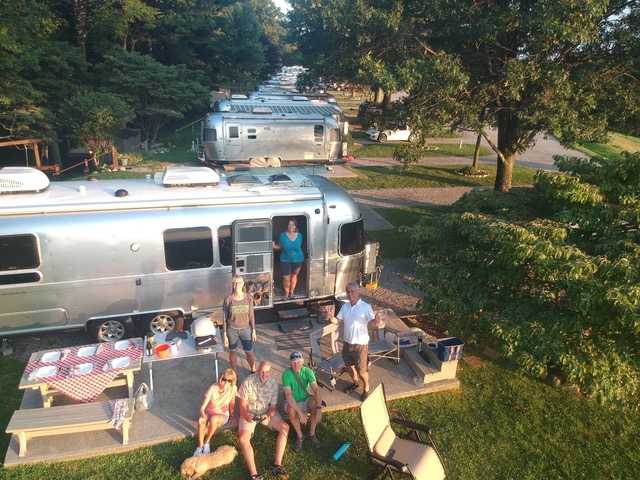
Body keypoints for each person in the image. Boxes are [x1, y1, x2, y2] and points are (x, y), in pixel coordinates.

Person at [238, 361, 290, 480]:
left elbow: (273, 408)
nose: (264, 374)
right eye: (261, 371)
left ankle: (277, 465)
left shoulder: (274, 384)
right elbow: (242, 405)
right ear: (257, 371)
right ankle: (254, 475)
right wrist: (246, 416)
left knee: (285, 428)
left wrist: (269, 417)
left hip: (265, 412)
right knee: (243, 439)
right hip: (249, 412)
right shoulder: (248, 381)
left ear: (270, 372)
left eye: (267, 372)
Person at [331, 282, 381, 401]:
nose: (350, 294)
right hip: (347, 343)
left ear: (358, 292)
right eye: (348, 292)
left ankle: (366, 388)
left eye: (352, 291)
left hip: (360, 345)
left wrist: (377, 321)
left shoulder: (365, 307)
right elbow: (337, 321)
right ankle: (356, 383)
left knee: (362, 371)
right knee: (349, 366)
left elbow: (373, 322)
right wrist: (330, 317)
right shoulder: (345, 307)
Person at [282, 350, 324, 452]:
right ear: (290, 363)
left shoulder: (308, 371)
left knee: (315, 404)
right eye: (293, 362)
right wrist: (300, 412)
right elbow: (288, 395)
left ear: (302, 361)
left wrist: (319, 408)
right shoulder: (286, 374)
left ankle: (312, 434)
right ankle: (300, 436)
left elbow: (316, 390)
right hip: (291, 401)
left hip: (305, 399)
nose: (296, 365)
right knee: (291, 409)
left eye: (298, 362)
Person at [193, 368, 238, 457]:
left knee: (214, 419)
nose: (226, 383)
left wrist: (231, 416)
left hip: (222, 415)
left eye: (229, 381)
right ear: (220, 378)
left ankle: (207, 442)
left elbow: (232, 402)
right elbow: (202, 407)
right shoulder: (213, 388)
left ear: (232, 382)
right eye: (224, 379)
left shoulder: (233, 388)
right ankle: (200, 445)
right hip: (209, 412)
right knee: (201, 420)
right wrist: (203, 415)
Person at [222, 276, 257, 374]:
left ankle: (253, 369)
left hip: (246, 330)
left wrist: (253, 330)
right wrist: (224, 334)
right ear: (233, 285)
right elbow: (224, 318)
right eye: (236, 283)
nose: (239, 285)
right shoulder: (228, 300)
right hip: (232, 330)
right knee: (233, 351)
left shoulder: (248, 298)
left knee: (249, 352)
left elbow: (251, 315)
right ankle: (234, 373)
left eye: (241, 283)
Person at [272, 218, 304, 301]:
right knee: (286, 278)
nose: (291, 226)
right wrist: (274, 246)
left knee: (294, 276)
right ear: (287, 226)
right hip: (285, 259)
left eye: (293, 225)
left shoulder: (299, 235)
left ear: (295, 226)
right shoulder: (282, 235)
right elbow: (280, 246)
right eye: (289, 225)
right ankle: (286, 293)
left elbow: (298, 246)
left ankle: (291, 292)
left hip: (298, 259)